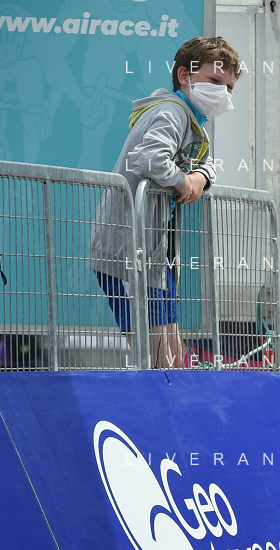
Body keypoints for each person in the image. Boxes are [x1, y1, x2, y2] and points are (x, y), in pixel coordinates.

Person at [89, 36, 241, 368]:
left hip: (154, 253)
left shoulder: (194, 122)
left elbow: (207, 164)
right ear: (185, 76)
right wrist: (184, 181)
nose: (223, 92)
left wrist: (200, 179)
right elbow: (150, 159)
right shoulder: (172, 112)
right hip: (127, 250)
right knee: (155, 355)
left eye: (229, 87)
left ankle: (172, 392)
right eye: (215, 81)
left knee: (171, 350)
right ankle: (159, 397)